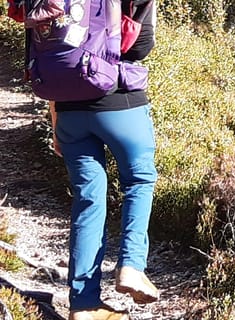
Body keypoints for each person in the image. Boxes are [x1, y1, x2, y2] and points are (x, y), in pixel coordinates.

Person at [45, 1, 160, 319]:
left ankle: (84, 304)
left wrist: (56, 120)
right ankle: (132, 267)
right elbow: (141, 44)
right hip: (121, 104)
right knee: (139, 181)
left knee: (88, 200)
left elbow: (56, 54)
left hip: (68, 112)